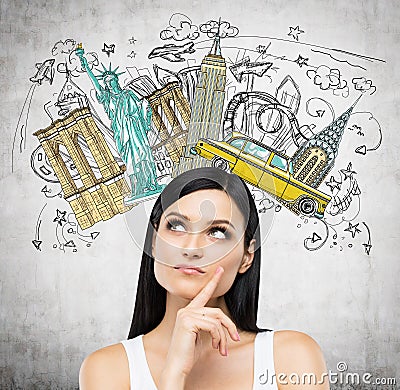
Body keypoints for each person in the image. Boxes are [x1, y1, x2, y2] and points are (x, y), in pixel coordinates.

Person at [79, 167, 329, 389]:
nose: (192, 248)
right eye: (176, 226)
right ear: (154, 242)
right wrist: (174, 374)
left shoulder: (291, 356)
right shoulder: (107, 369)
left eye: (218, 232)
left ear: (246, 257)